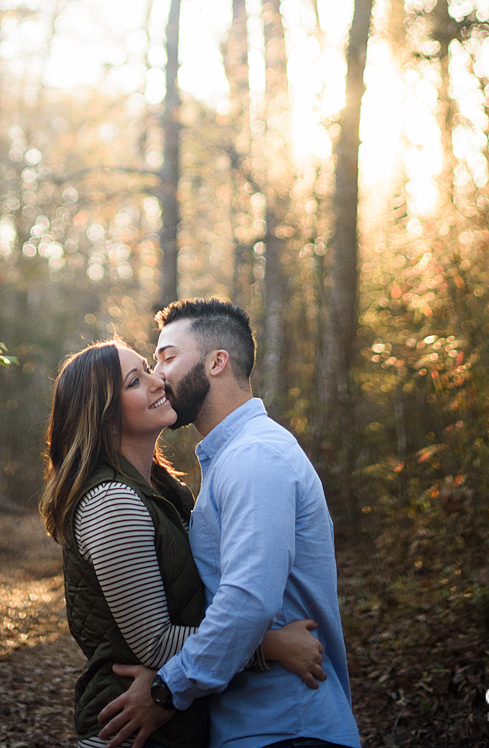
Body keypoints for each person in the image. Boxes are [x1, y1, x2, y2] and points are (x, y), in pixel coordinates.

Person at [98, 300, 361, 748]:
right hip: (258, 725)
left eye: (168, 356)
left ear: (217, 362)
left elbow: (247, 601)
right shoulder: (232, 458)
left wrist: (166, 690)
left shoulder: (253, 458)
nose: (159, 375)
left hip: (285, 726)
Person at [41, 339, 329, 748]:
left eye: (149, 368)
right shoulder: (112, 501)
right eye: (134, 381)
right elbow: (155, 642)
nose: (158, 380)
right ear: (106, 418)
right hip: (131, 731)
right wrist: (269, 646)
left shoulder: (158, 491)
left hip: (169, 728)